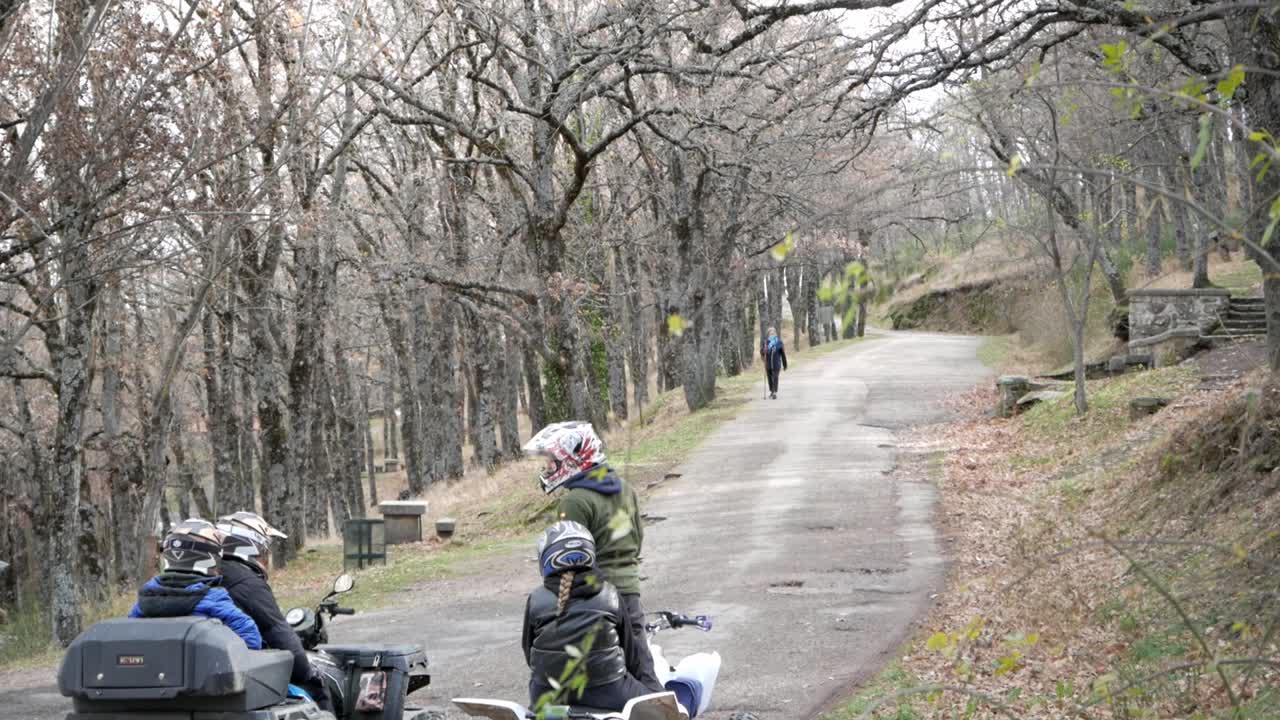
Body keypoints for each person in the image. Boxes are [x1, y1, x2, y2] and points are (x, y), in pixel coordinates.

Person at [522, 421, 661, 691]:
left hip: (593, 594)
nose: (547, 468)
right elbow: (638, 538)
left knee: (593, 665)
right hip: (629, 588)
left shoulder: (574, 501)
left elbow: (569, 555)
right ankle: (657, 704)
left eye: (551, 461)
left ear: (573, 460)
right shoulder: (625, 488)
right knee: (640, 662)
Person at [523, 521, 661, 709]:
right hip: (610, 691)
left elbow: (528, 651)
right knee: (660, 708)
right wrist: (655, 692)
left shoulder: (536, 599)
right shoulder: (610, 594)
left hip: (547, 694)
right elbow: (632, 653)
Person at [215, 511, 331, 710]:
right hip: (247, 673)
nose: (264, 556)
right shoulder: (247, 582)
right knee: (319, 690)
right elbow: (279, 634)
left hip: (217, 671)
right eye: (263, 549)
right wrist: (309, 674)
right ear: (249, 547)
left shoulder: (212, 575)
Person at [129, 518, 263, 649]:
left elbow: (129, 635)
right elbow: (251, 639)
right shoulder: (213, 599)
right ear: (211, 557)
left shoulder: (144, 601)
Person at [760, 326, 788, 399]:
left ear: (775, 334)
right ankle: (771, 391)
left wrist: (785, 364)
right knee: (769, 378)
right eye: (770, 333)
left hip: (776, 363)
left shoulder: (779, 342)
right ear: (768, 334)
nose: (772, 334)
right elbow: (762, 352)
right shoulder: (766, 342)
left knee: (775, 377)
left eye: (773, 333)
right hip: (768, 364)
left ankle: (775, 392)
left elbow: (783, 354)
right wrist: (764, 350)